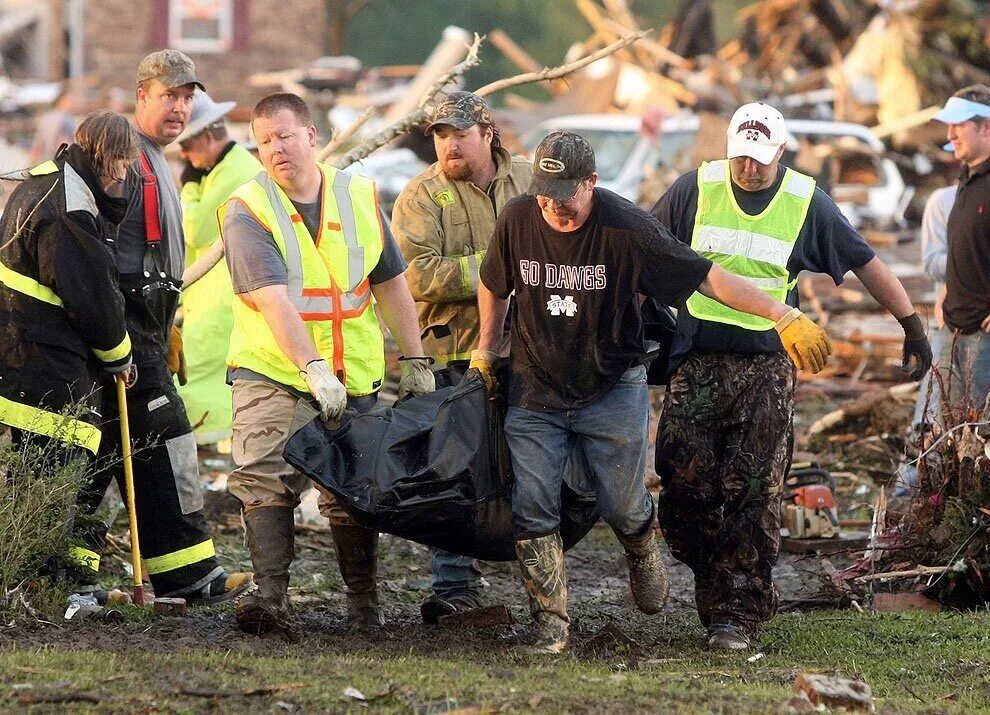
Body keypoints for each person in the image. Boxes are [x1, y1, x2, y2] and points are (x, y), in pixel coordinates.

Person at [473, 130, 834, 655]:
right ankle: (550, 625)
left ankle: (641, 546)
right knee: (533, 504)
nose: (555, 206)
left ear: (592, 183)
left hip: (610, 385)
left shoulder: (629, 227)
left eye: (567, 194)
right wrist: (487, 349)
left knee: (620, 502)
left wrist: (781, 313)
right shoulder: (518, 218)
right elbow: (493, 280)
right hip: (536, 390)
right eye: (546, 192)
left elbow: (708, 278)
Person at [650, 102, 932, 651]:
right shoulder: (695, 189)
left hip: (766, 367)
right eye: (740, 158)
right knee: (684, 489)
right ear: (727, 148)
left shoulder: (806, 202)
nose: (749, 169)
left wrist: (912, 324)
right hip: (698, 361)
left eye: (760, 159)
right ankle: (714, 578)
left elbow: (865, 260)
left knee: (753, 491)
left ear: (780, 153)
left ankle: (738, 610)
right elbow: (647, 251)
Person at [220, 92, 434, 635]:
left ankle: (364, 606)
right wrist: (312, 368)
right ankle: (270, 601)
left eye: (285, 136)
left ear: (312, 136)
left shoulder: (357, 195)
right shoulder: (247, 208)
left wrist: (414, 359)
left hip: (352, 372)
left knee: (350, 490)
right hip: (272, 368)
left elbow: (390, 283)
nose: (275, 149)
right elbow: (272, 299)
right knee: (264, 478)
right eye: (264, 141)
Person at [85, 50, 253, 605]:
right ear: (142, 96)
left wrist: (167, 322)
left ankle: (184, 575)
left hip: (150, 332)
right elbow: (99, 256)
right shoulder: (123, 159)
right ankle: (65, 576)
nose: (181, 109)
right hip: (121, 337)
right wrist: (122, 336)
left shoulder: (161, 159)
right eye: (169, 97)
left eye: (187, 98)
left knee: (145, 452)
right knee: (149, 447)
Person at [392, 90, 532, 624]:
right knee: (452, 468)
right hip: (452, 353)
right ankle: (454, 585)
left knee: (529, 462)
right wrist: (499, 269)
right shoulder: (421, 197)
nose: (448, 145)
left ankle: (540, 580)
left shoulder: (528, 179)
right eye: (439, 134)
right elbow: (416, 275)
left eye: (459, 133)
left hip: (528, 352)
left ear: (488, 133)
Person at [0, 112, 136, 588]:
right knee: (59, 473)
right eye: (118, 161)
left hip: (21, 355)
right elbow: (91, 295)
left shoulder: (43, 183)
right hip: (47, 362)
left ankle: (52, 575)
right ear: (99, 154)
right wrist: (120, 355)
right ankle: (45, 580)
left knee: (35, 473)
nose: (121, 175)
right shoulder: (71, 207)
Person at [176, 92, 263, 447]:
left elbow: (194, 228)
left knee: (202, 371)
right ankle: (215, 443)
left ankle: (210, 443)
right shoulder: (223, 168)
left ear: (208, 135)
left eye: (187, 144)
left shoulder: (235, 172)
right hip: (211, 293)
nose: (183, 155)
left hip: (222, 296)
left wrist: (189, 188)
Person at [931, 86, 990, 411]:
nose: (950, 133)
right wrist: (945, 294)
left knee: (980, 433)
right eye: (948, 125)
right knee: (953, 430)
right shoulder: (966, 179)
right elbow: (964, 248)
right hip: (951, 329)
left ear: (986, 127)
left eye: (959, 125)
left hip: (984, 340)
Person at [29, 86, 78, 163]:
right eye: (71, 100)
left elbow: (37, 144)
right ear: (62, 101)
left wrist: (32, 162)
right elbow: (73, 140)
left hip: (45, 160)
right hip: (61, 160)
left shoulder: (46, 117)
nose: (73, 103)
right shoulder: (66, 118)